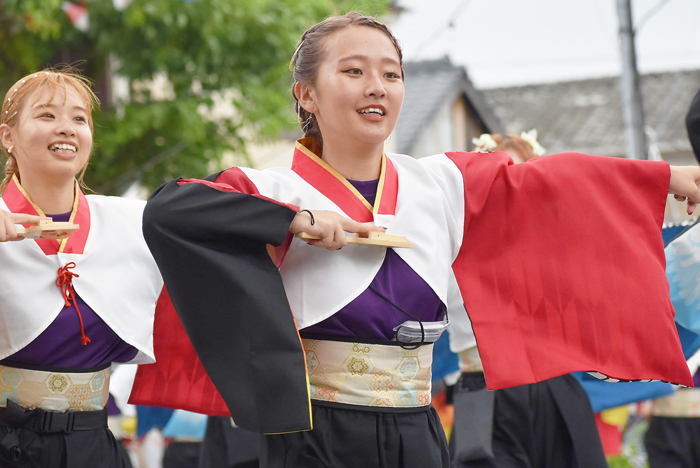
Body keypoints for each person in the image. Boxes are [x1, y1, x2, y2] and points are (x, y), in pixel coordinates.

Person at [130, 12, 700, 468]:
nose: (377, 86)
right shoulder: (268, 187)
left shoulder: (440, 179)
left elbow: (543, 184)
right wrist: (294, 221)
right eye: (353, 71)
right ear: (305, 94)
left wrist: (659, 179)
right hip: (315, 434)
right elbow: (171, 208)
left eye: (391, 74)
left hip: (417, 424)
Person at [0, 68, 163, 467]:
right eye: (47, 115)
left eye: (79, 119)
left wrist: (295, 219)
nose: (67, 129)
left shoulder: (132, 222)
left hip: (93, 446)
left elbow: (218, 220)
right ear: (7, 137)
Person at [448, 131, 607, 468]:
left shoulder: (562, 247)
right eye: (498, 176)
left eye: (522, 174)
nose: (512, 187)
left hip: (555, 386)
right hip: (484, 387)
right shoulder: (452, 241)